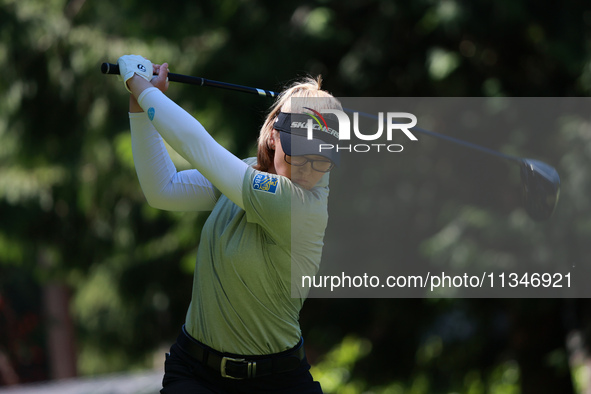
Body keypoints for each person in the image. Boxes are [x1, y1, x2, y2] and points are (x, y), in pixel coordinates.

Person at [117, 54, 342, 393]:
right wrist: (140, 105)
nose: (308, 168)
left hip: (276, 381)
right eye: (299, 151)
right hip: (195, 372)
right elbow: (164, 189)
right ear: (274, 136)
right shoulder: (246, 173)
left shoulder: (299, 205)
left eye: (321, 158)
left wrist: (141, 86)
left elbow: (200, 148)